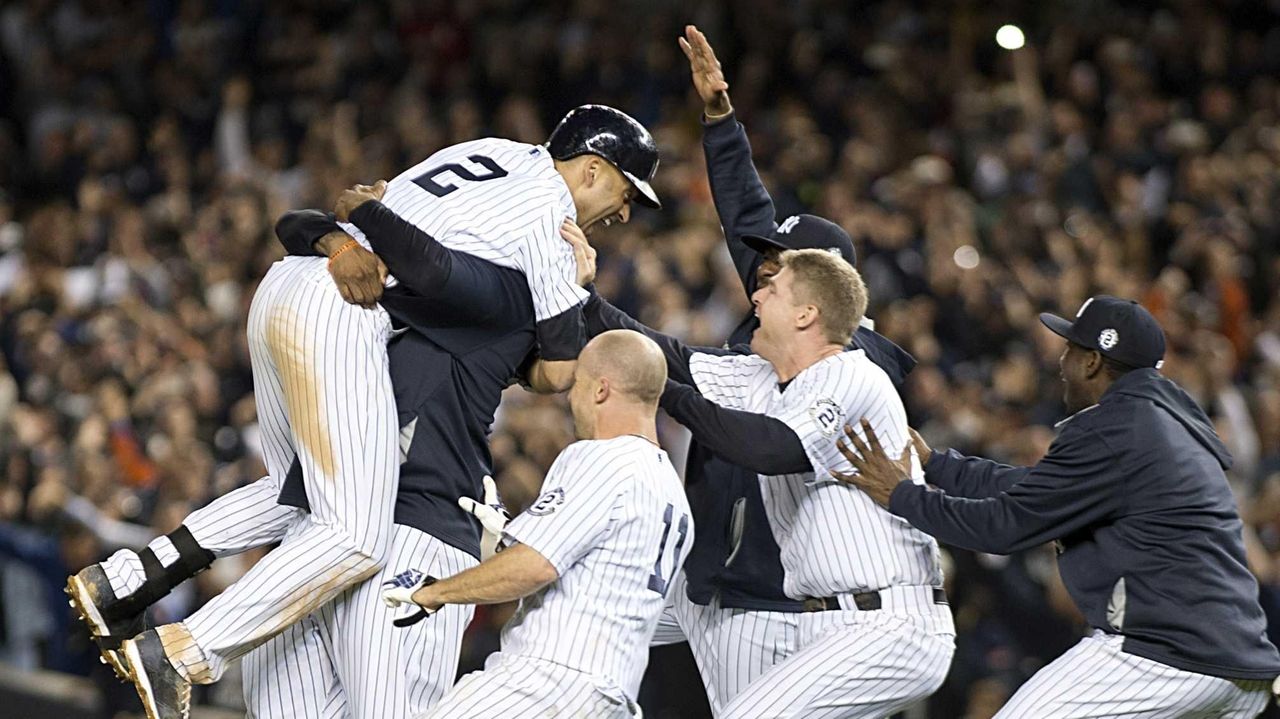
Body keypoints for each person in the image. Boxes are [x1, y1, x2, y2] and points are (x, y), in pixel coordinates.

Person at [67, 104, 660, 719]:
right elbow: (562, 368)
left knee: (300, 494)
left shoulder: (492, 157)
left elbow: (345, 220)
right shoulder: (551, 223)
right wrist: (579, 286)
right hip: (345, 312)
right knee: (352, 535)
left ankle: (133, 575)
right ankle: (186, 651)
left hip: (290, 283)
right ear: (592, 170)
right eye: (627, 192)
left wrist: (349, 223)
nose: (623, 213)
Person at [835, 295, 1280, 718]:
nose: (1060, 363)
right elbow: (1040, 488)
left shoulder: (1116, 429)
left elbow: (1002, 528)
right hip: (1238, 665)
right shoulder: (1159, 421)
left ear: (1092, 362)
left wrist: (901, 494)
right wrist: (938, 465)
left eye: (1070, 349)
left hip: (1168, 655)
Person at [648, 25, 918, 714]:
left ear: (820, 295)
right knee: (578, 629)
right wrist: (719, 119)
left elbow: (770, 446)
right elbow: (747, 217)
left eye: (779, 270)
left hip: (764, 598)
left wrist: (662, 384)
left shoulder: (855, 356)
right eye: (763, 269)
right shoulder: (772, 320)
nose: (760, 278)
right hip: (708, 573)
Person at [570, 240, 955, 717]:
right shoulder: (762, 377)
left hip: (889, 621)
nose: (756, 295)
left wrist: (669, 397)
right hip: (826, 622)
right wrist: (582, 296)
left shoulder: (852, 374)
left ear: (805, 315)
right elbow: (665, 356)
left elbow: (770, 449)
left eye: (773, 288)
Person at [383, 330, 693, 719]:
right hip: (612, 698)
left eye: (576, 385)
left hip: (545, 682)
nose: (569, 397)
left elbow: (536, 565)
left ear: (600, 390)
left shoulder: (603, 458)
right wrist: (505, 545)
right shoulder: (673, 492)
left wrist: (434, 592)